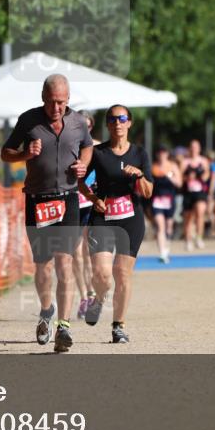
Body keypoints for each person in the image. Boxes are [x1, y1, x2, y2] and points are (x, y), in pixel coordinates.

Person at [0, 74, 92, 352]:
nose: (56, 108)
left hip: (68, 199)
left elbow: (87, 146)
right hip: (38, 201)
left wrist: (83, 166)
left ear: (68, 99)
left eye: (62, 102)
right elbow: (5, 152)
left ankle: (64, 327)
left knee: (65, 262)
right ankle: (46, 311)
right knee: (43, 265)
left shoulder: (77, 122)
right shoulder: (28, 120)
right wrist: (24, 155)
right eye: (52, 102)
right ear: (43, 98)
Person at [79, 105, 153, 343]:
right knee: (102, 274)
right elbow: (80, 182)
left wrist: (140, 175)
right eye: (112, 119)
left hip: (131, 218)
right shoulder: (98, 152)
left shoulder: (140, 153)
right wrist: (92, 199)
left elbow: (149, 192)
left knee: (122, 273)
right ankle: (98, 300)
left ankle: (118, 326)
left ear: (129, 123)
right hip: (103, 216)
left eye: (122, 118)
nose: (117, 123)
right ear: (108, 124)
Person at [74, 111, 99, 318]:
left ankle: (91, 293)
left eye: (88, 126)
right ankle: (83, 297)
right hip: (72, 202)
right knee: (75, 253)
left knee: (89, 253)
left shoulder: (99, 147)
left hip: (90, 203)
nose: (85, 130)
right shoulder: (67, 145)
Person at [150, 146, 182, 264]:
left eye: (164, 152)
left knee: (169, 227)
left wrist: (169, 176)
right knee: (160, 226)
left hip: (169, 200)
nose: (161, 155)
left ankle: (167, 248)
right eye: (159, 152)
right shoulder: (153, 167)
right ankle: (162, 253)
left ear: (167, 154)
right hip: (157, 201)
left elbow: (179, 184)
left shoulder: (173, 166)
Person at [181, 140, 210, 250]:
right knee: (188, 218)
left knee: (200, 212)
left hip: (200, 191)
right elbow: (180, 177)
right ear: (190, 149)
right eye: (192, 147)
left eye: (196, 147)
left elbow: (207, 175)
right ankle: (188, 240)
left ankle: (199, 237)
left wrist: (201, 176)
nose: (194, 149)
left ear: (199, 149)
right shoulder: (185, 162)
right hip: (188, 192)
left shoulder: (203, 161)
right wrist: (188, 178)